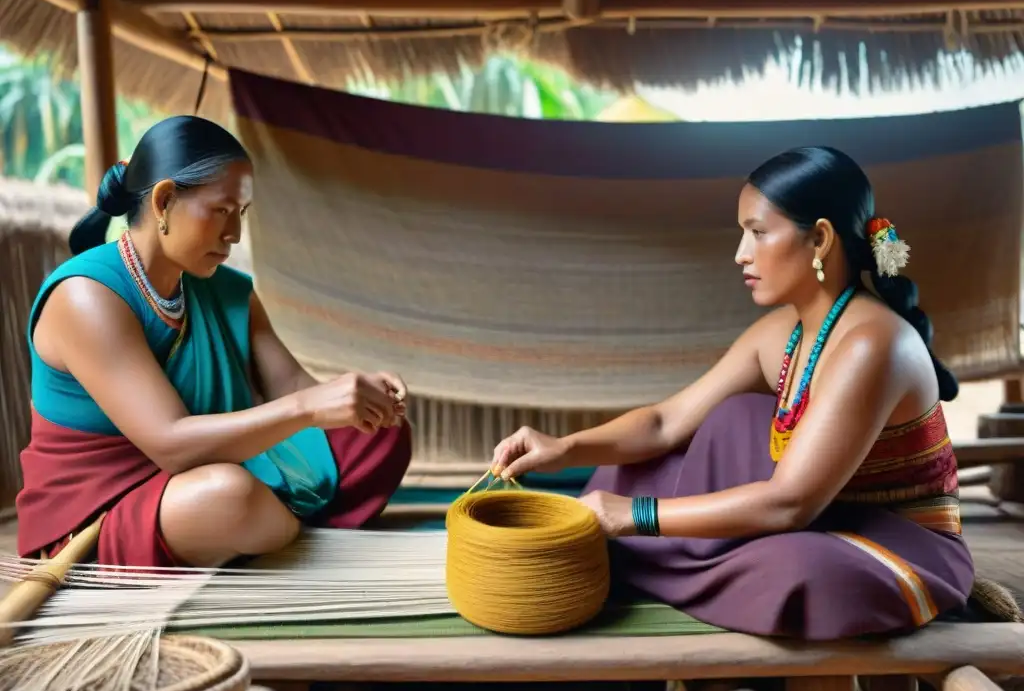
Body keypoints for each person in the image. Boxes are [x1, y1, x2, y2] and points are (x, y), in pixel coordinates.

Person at [490, 146, 976, 640]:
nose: (741, 252)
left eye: (758, 232)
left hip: (888, 542)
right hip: (817, 519)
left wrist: (633, 516)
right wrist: (565, 448)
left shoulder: (873, 344)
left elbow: (790, 505)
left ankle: (663, 562)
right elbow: (664, 423)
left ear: (820, 239)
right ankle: (689, 562)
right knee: (628, 468)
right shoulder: (783, 331)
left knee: (800, 574)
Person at [16, 115, 412, 569]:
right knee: (230, 497)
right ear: (164, 201)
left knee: (381, 432)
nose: (235, 235)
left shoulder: (225, 289)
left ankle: (267, 526)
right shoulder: (86, 297)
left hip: (214, 467)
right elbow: (171, 444)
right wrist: (309, 408)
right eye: (221, 211)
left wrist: (357, 393)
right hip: (107, 507)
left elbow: (293, 386)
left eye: (240, 214)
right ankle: (269, 521)